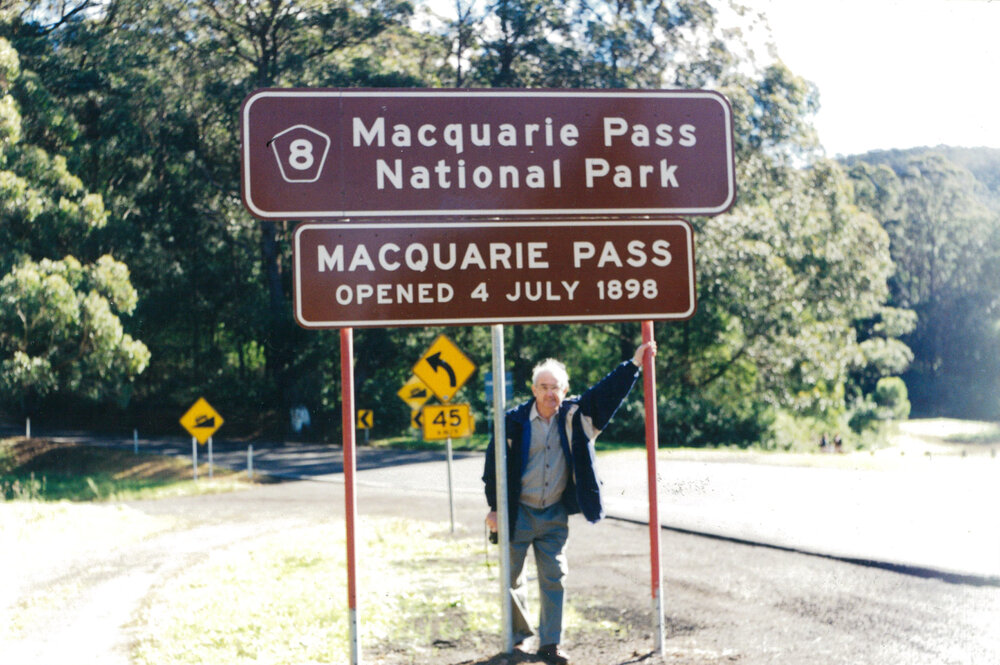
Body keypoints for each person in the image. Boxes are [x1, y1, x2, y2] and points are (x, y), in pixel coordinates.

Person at [483, 341, 656, 664]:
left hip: (553, 514)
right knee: (511, 578)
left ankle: (550, 644)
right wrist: (495, 507)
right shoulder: (512, 422)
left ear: (565, 390)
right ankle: (518, 640)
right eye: (544, 387)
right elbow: (492, 467)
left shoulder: (577, 418)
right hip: (517, 512)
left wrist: (634, 364)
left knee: (555, 578)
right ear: (534, 389)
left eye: (556, 388)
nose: (550, 394)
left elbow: (608, 393)